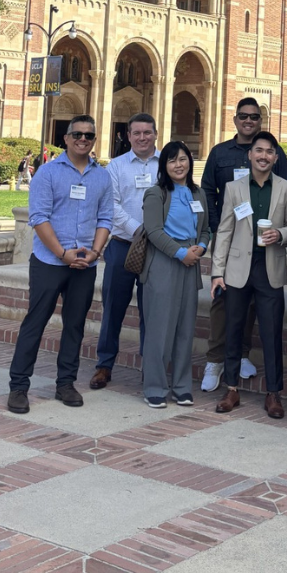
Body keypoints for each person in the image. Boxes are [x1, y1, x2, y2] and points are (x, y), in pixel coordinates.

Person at [7, 115, 113, 414]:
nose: (83, 139)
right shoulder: (48, 173)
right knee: (35, 322)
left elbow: (105, 218)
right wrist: (63, 254)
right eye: (77, 134)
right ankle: (18, 387)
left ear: (94, 140)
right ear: (65, 138)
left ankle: (65, 383)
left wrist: (94, 251)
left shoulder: (102, 176)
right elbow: (38, 217)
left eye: (89, 135)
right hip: (49, 262)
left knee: (75, 326)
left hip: (85, 263)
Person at [199, 97, 287, 391]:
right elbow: (207, 191)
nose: (249, 121)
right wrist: (216, 227)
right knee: (222, 306)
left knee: (251, 310)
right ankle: (216, 360)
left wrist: (280, 230)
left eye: (254, 117)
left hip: (264, 253)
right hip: (234, 245)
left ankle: (242, 356)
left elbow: (286, 198)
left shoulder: (276, 156)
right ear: (235, 119)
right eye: (243, 116)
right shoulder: (220, 152)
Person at [211, 131, 287, 419]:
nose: (263, 156)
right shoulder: (234, 188)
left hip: (269, 268)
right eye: (258, 150)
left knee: (272, 333)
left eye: (269, 152)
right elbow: (224, 230)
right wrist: (217, 271)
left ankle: (273, 394)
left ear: (275, 157)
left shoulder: (286, 188)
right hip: (238, 270)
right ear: (250, 154)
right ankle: (232, 388)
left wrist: (282, 234)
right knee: (233, 330)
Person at [87, 113, 161, 389]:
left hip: (157, 249)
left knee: (151, 310)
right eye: (136, 133)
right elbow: (111, 206)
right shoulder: (115, 167)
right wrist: (137, 230)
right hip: (122, 246)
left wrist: (153, 234)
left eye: (147, 132)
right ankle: (104, 365)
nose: (142, 137)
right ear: (128, 136)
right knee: (113, 308)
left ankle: (149, 368)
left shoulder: (166, 164)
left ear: (156, 134)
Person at [139, 140, 210, 407]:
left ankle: (181, 386)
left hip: (191, 264)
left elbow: (206, 229)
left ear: (189, 162)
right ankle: (154, 386)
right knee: (159, 329)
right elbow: (154, 231)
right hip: (164, 262)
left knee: (184, 329)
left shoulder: (198, 193)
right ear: (164, 165)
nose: (178, 165)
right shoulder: (156, 193)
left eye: (182, 159)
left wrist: (201, 248)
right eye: (171, 160)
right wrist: (181, 254)